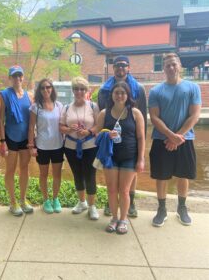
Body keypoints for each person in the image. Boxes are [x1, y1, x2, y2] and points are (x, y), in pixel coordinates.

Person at [149, 53, 201, 227]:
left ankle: (182, 207)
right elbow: (154, 117)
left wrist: (178, 137)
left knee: (183, 174)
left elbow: (195, 115)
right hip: (161, 140)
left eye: (173, 64)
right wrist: (170, 136)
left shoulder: (193, 88)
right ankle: (162, 209)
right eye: (167, 65)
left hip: (185, 139)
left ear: (180, 65)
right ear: (163, 68)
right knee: (161, 176)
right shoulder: (156, 91)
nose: (171, 68)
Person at [98, 55, 147, 218]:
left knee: (129, 179)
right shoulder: (104, 90)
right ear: (113, 68)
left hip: (130, 140)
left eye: (124, 66)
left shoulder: (138, 89)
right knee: (112, 185)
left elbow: (142, 119)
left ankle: (130, 202)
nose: (120, 68)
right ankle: (111, 205)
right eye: (117, 66)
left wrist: (141, 153)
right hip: (111, 146)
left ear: (128, 68)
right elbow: (102, 119)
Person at [60, 77, 100, 220]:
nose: (79, 92)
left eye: (82, 89)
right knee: (77, 174)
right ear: (73, 90)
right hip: (71, 147)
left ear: (87, 90)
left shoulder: (93, 106)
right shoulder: (66, 107)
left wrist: (88, 132)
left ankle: (92, 206)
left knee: (90, 175)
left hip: (90, 146)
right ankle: (82, 202)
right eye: (76, 89)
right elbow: (61, 127)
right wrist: (70, 129)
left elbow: (98, 125)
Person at [0, 65, 34, 216]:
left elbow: (33, 120)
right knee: (10, 170)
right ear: (10, 78)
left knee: (24, 169)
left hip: (25, 138)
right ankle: (13, 202)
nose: (17, 78)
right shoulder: (4, 95)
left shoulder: (29, 96)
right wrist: (2, 141)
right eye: (14, 76)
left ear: (23, 77)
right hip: (10, 137)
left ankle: (23, 199)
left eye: (20, 76)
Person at [28, 79, 64, 214]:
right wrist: (31, 145)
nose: (46, 90)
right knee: (43, 175)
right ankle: (46, 200)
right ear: (39, 90)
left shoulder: (59, 105)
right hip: (42, 146)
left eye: (48, 87)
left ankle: (55, 198)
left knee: (57, 174)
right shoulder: (35, 107)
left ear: (52, 89)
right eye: (42, 88)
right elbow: (31, 127)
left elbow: (63, 125)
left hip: (58, 145)